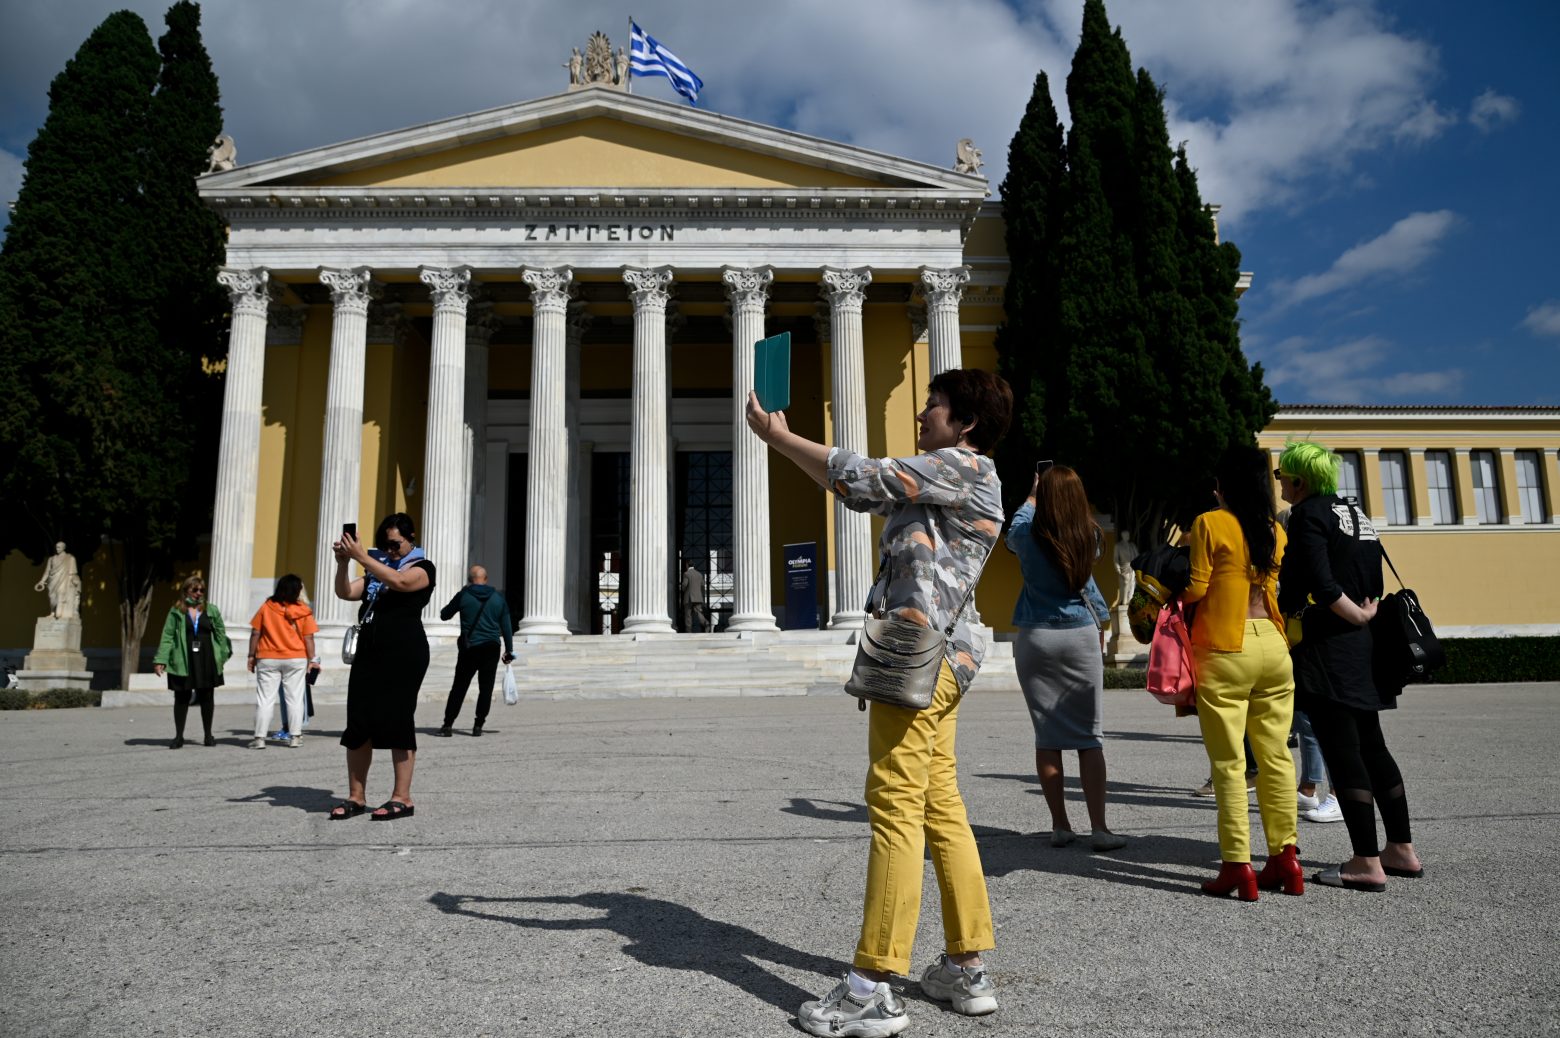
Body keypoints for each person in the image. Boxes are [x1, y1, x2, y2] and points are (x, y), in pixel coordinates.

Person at [747, 368, 1012, 1037]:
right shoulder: (947, 481)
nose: (923, 414)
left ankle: (872, 985)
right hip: (940, 662)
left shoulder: (961, 467)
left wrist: (781, 439)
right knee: (938, 804)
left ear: (967, 423)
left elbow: (863, 478)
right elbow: (860, 492)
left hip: (917, 655)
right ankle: (965, 964)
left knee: (895, 805)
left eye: (936, 405)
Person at [1277, 440, 1423, 890]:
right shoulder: (1354, 514)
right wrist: (1365, 613)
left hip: (1329, 646)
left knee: (1343, 752)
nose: (1279, 482)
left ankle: (1365, 861)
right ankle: (1400, 849)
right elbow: (1373, 580)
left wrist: (1352, 613)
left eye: (1283, 475)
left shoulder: (1307, 515)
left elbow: (1320, 583)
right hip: (1363, 646)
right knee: (1373, 746)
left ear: (1299, 481)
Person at [1183, 446, 1302, 901]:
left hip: (1224, 647)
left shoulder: (1210, 522)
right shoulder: (1274, 529)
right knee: (1276, 758)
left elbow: (1197, 586)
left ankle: (1238, 865)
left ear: (1223, 486)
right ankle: (1286, 858)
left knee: (1230, 764)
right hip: (1273, 646)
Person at [1007, 464, 1123, 851]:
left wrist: (1032, 495)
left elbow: (1014, 529)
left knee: (1048, 736)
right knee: (1090, 738)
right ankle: (1100, 829)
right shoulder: (1087, 534)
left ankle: (1060, 825)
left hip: (1036, 637)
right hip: (1079, 634)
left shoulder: (1026, 532)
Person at [329, 513, 436, 821]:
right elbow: (345, 592)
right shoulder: (378, 572)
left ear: (411, 538)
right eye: (383, 545)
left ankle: (402, 798)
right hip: (369, 653)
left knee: (398, 720)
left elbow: (401, 582)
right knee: (358, 722)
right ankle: (356, 797)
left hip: (404, 654)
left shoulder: (422, 568)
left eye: (394, 544)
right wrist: (343, 563)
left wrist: (363, 556)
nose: (389, 551)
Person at [152, 576, 231, 749]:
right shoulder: (176, 611)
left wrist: (222, 656)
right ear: (186, 590)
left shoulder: (211, 609)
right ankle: (179, 736)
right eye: (194, 590)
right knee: (181, 697)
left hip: (206, 657)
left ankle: (208, 735)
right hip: (182, 657)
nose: (198, 593)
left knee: (207, 697)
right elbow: (167, 636)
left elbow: (220, 634)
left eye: (201, 590)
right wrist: (161, 660)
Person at [436, 565, 514, 737]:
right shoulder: (498, 598)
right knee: (486, 688)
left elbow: (444, 614)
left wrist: (461, 595)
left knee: (459, 687)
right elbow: (507, 628)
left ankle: (448, 725)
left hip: (469, 648)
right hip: (492, 648)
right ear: (486, 579)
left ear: (470, 580)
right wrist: (509, 652)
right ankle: (478, 726)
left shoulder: (464, 595)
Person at [247, 574, 320, 749]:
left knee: (265, 699)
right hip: (296, 658)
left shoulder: (267, 607)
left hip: (267, 657)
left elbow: (256, 633)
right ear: (297, 590)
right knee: (295, 698)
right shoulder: (303, 610)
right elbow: (308, 638)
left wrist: (251, 655)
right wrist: (313, 659)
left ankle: (259, 739)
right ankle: (295, 737)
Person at [680, 562, 708, 632]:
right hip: (698, 597)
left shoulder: (686, 574)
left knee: (688, 615)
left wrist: (682, 589)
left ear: (687, 565)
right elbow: (702, 585)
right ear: (693, 565)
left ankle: (688, 631)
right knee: (699, 613)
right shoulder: (699, 574)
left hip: (689, 598)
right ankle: (706, 623)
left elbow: (684, 585)